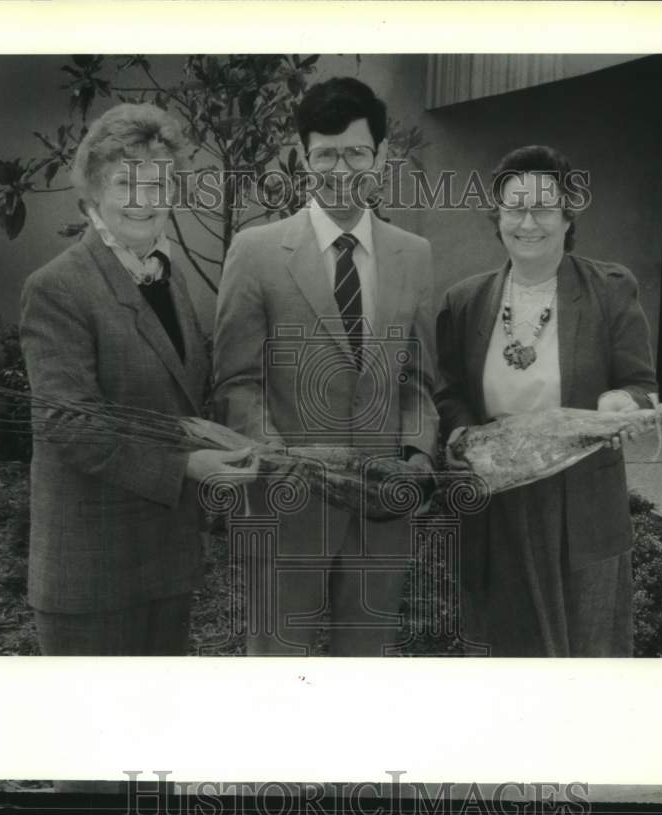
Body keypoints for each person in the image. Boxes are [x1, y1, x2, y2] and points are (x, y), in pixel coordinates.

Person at [20, 103, 256, 657]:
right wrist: (186, 466)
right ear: (94, 192)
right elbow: (67, 422)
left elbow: (170, 398)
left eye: (158, 184)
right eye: (126, 182)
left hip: (165, 564)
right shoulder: (58, 286)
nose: (143, 200)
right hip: (92, 572)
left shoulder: (164, 279)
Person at [212, 77, 439, 656]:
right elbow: (237, 380)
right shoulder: (256, 251)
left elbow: (417, 379)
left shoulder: (414, 255)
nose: (342, 169)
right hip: (287, 508)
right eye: (325, 155)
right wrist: (277, 459)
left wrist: (417, 456)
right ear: (304, 158)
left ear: (381, 156)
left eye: (357, 152)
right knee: (278, 673)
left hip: (384, 512)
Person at [435, 145, 657, 657]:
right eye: (514, 207)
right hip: (497, 501)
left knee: (585, 649)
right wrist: (461, 431)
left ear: (566, 215)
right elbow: (448, 391)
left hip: (581, 504)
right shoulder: (465, 300)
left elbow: (641, 384)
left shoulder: (608, 290)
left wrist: (622, 401)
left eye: (542, 207)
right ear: (498, 217)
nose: (527, 222)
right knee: (502, 648)